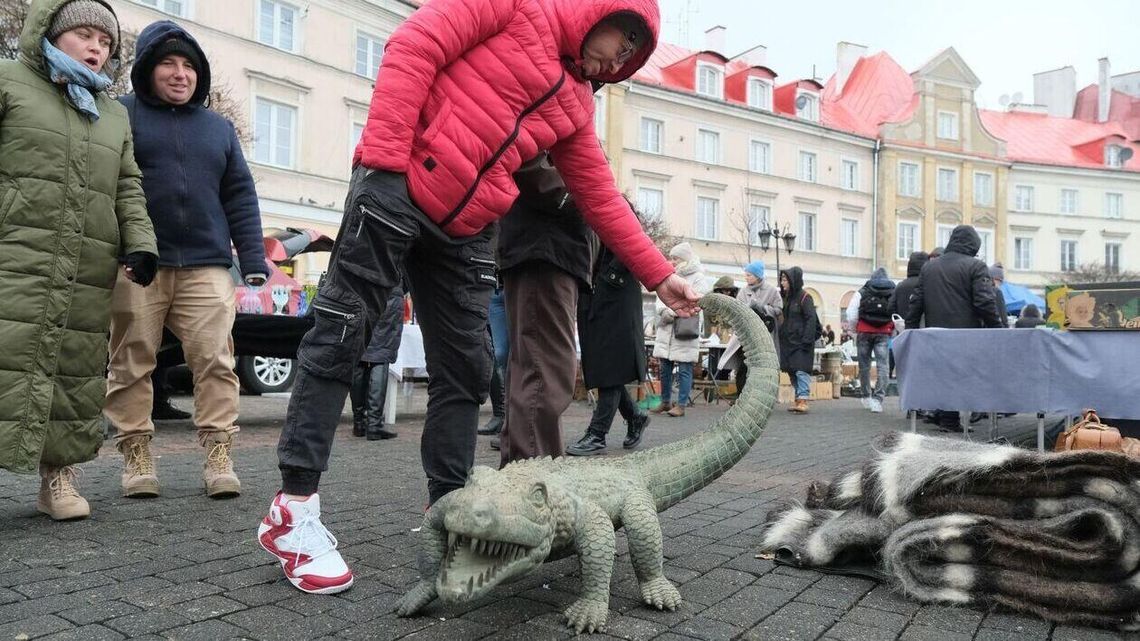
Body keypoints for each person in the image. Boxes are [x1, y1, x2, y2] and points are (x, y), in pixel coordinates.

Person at [258, 0, 701, 596]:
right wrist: (387, 163)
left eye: (631, 56)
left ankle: (449, 512)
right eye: (624, 39)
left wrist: (659, 274)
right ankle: (294, 509)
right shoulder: (518, 6)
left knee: (465, 369)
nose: (620, 59)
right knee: (341, 334)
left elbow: (599, 195)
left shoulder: (575, 103)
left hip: (467, 228)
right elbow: (415, 45)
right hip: (400, 184)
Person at [0, 0, 158, 520]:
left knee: (74, 371)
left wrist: (140, 241)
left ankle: (58, 479)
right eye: (85, 35)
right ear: (50, 32)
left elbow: (127, 185)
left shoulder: (112, 112)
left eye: (106, 42)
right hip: (16, 252)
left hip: (86, 267)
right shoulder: (8, 80)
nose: (97, 48)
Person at [104, 21, 266, 500]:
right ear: (147, 71)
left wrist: (252, 257)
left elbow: (240, 194)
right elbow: (106, 186)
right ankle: (136, 457)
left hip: (207, 264)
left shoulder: (219, 128)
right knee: (131, 363)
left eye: (189, 66)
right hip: (138, 264)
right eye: (168, 64)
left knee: (216, 361)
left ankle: (219, 456)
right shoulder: (120, 115)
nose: (180, 74)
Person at [495, 155, 594, 463]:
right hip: (548, 248)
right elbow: (527, 157)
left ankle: (521, 474)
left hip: (549, 249)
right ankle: (535, 482)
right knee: (545, 370)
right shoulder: (549, 109)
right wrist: (579, 199)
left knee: (534, 366)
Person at [904, 225, 1001, 430]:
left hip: (935, 335)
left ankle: (948, 419)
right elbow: (984, 302)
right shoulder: (976, 266)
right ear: (974, 245)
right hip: (967, 335)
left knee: (943, 375)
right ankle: (954, 419)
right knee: (964, 377)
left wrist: (911, 330)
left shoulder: (929, 267)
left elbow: (916, 302)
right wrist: (998, 329)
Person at [566, 230, 650, 456]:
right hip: (595, 293)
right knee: (604, 366)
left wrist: (609, 277)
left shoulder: (617, 205)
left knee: (611, 366)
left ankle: (597, 433)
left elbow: (632, 241)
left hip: (614, 294)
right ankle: (634, 415)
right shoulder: (582, 208)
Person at [651, 243, 710, 418]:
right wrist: (664, 310)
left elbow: (699, 299)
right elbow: (661, 297)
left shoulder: (698, 277)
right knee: (665, 368)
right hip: (667, 328)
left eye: (676, 258)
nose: (673, 261)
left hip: (685, 328)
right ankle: (665, 401)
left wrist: (671, 310)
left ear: (684, 258)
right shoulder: (669, 275)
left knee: (685, 368)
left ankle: (682, 404)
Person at [717, 260, 781, 396]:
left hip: (763, 335)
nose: (746, 278)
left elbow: (778, 309)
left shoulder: (772, 291)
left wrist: (763, 308)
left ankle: (760, 396)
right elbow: (737, 311)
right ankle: (742, 395)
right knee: (743, 366)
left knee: (760, 367)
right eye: (746, 275)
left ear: (758, 276)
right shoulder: (743, 292)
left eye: (749, 275)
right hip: (745, 336)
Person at [350, 288, 405, 440]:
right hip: (388, 290)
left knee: (360, 353)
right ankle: (374, 424)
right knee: (381, 353)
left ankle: (359, 422)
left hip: (360, 291)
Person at [852, 268, 895, 413]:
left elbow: (851, 312)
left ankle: (866, 396)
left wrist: (854, 329)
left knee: (864, 366)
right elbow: (896, 312)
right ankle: (878, 400)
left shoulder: (863, 291)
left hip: (864, 331)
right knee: (883, 366)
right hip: (884, 332)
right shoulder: (892, 291)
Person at [778, 267, 818, 414]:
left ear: (792, 280)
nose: (782, 283)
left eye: (785, 279)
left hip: (802, 342)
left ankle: (803, 400)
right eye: (781, 279)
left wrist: (807, 339)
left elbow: (811, 318)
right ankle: (798, 398)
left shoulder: (805, 297)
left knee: (801, 371)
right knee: (791, 371)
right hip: (788, 342)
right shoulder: (787, 298)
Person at [888, 251, 929, 326]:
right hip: (923, 331)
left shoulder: (900, 286)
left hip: (904, 330)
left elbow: (890, 308)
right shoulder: (927, 285)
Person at [989, 263, 1010, 328]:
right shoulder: (997, 292)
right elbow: (1003, 315)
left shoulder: (981, 290)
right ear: (996, 279)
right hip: (995, 329)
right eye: (1000, 281)